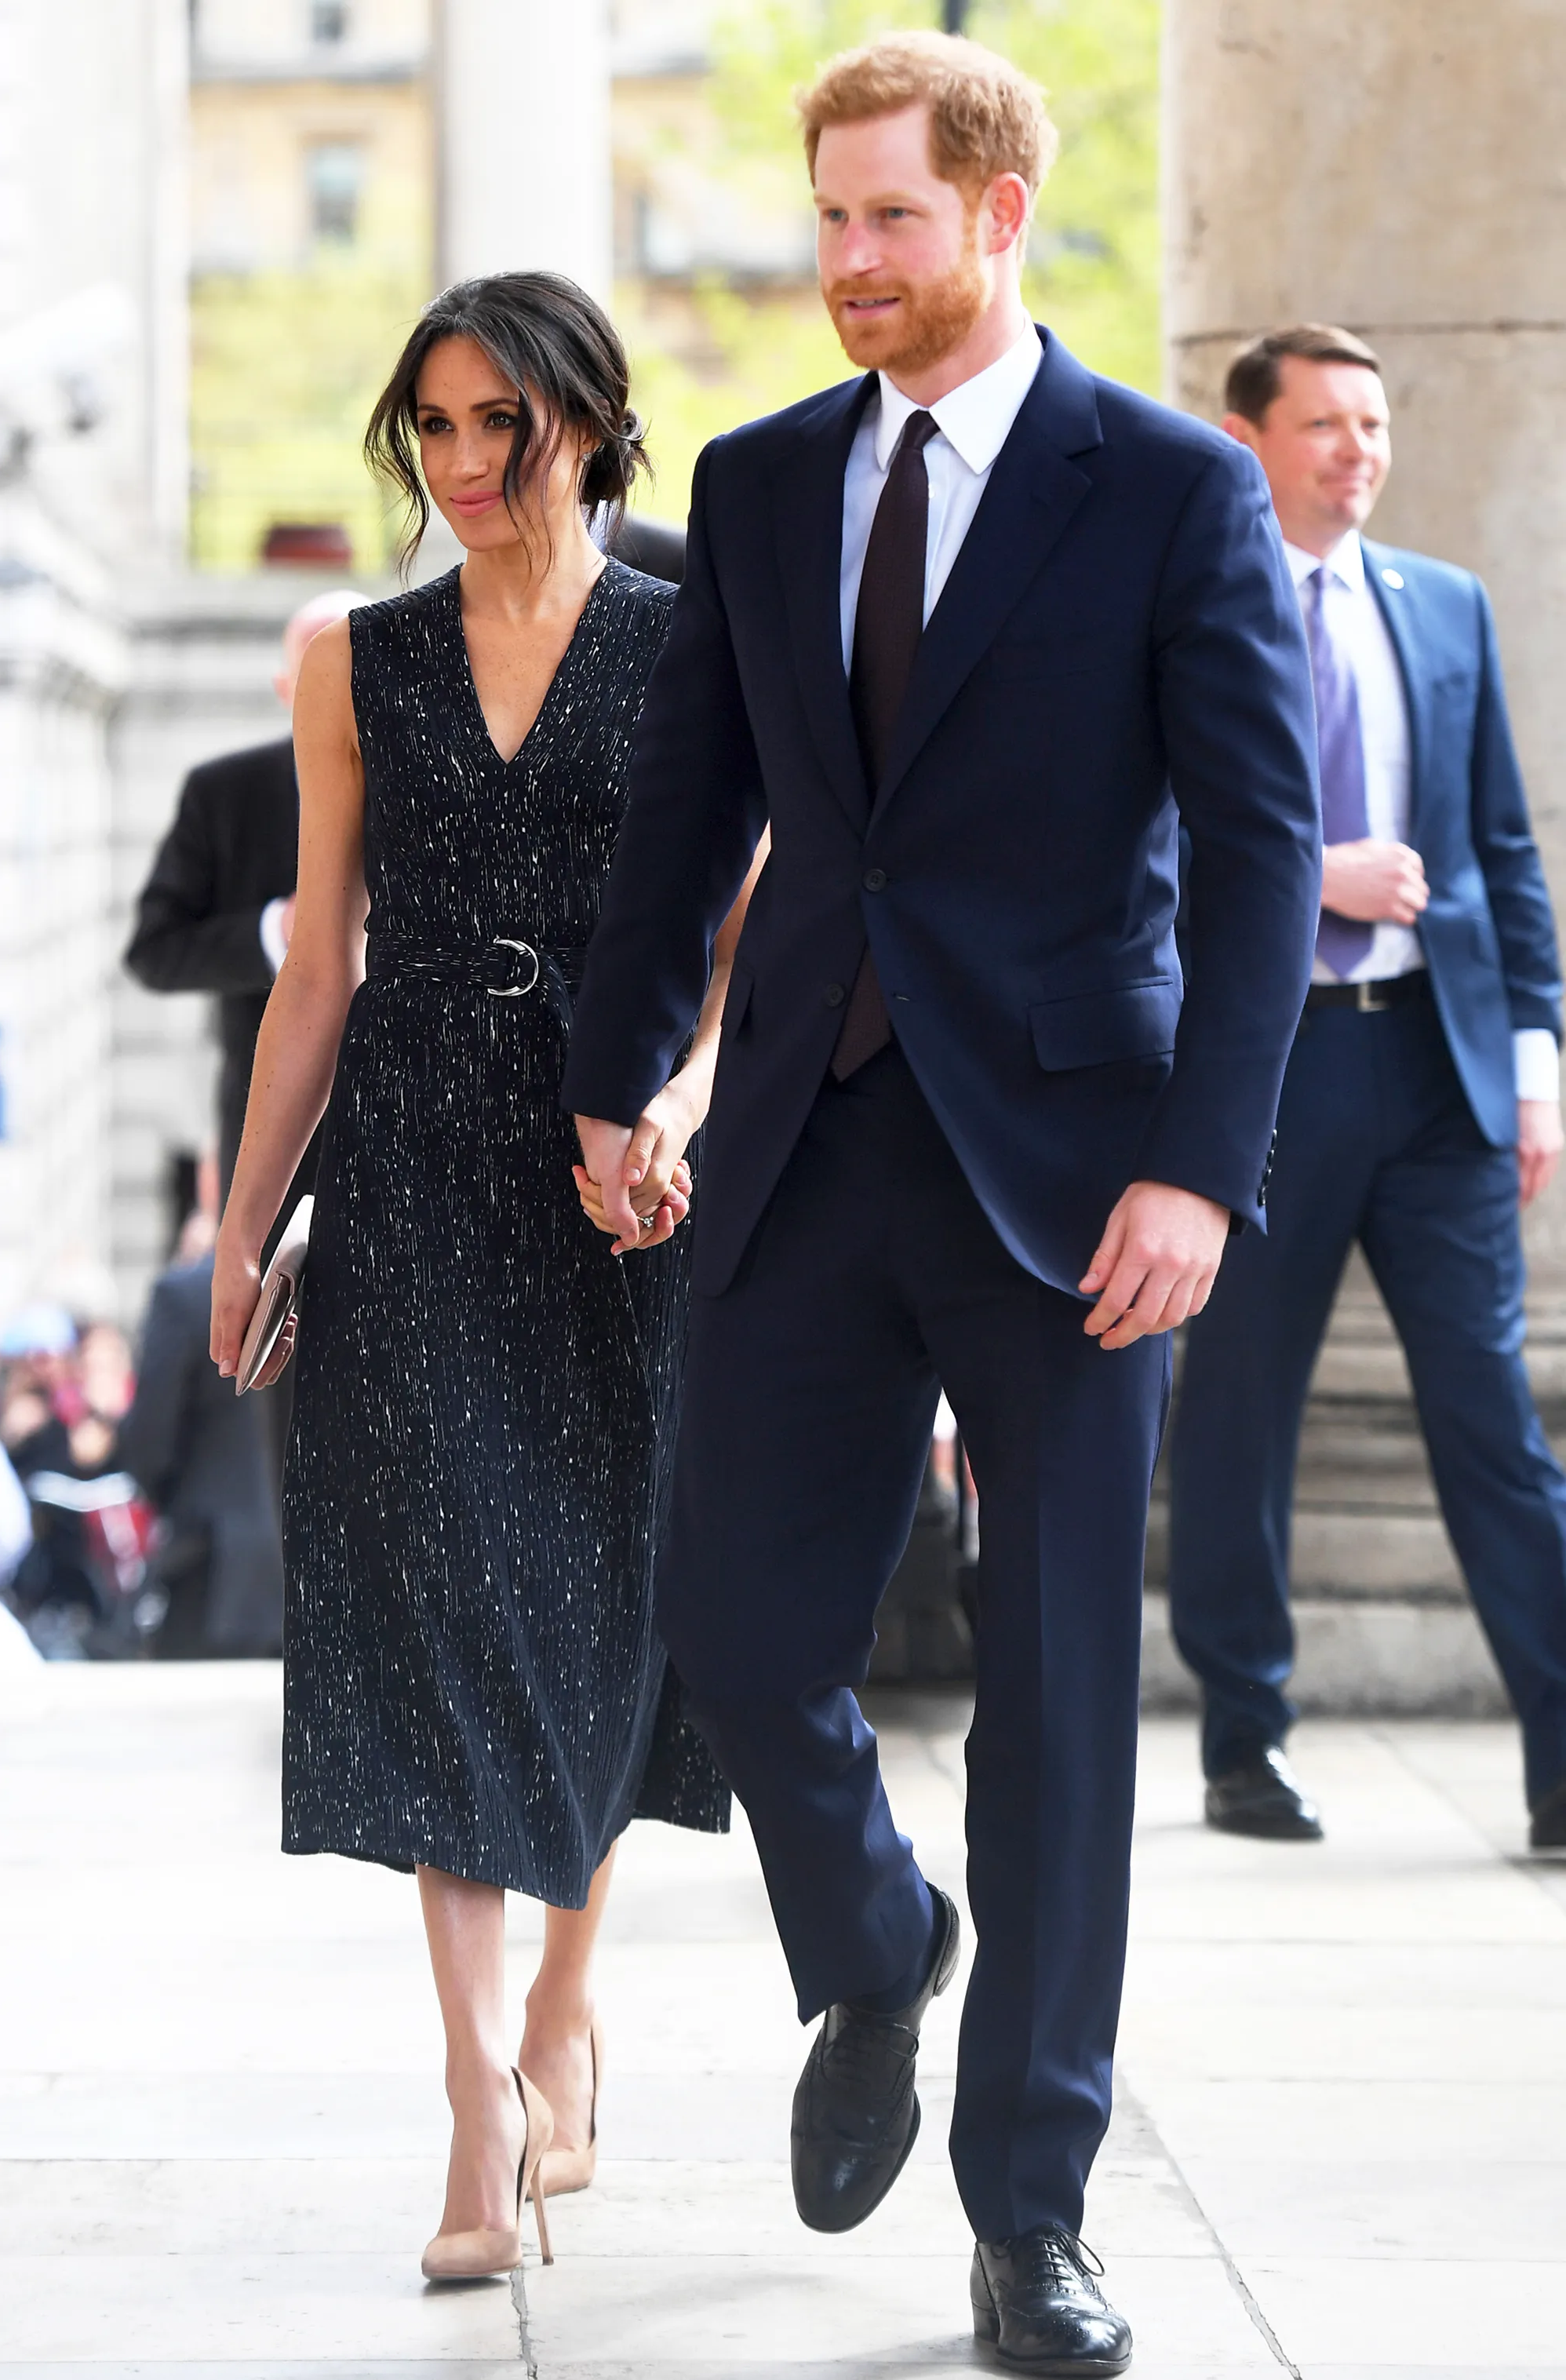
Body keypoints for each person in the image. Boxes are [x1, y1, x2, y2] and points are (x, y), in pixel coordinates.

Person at [564, 33, 1320, 2373]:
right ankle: (880, 1949)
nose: (848, 267)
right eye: (829, 224)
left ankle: (1032, 2215)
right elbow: (694, 807)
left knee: (1061, 1707)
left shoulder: (1172, 493)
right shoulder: (767, 481)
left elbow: (1270, 852)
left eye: (891, 221)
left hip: (1083, 1180)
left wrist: (1203, 1165)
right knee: (734, 1624)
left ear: (1000, 217)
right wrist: (614, 1083)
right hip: (802, 1144)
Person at [209, 271, 743, 2280]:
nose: (458, 467)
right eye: (428, 428)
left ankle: (565, 2002)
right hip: (417, 1165)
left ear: (588, 424)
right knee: (443, 1613)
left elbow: (739, 963)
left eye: (495, 426)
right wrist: (249, 1221)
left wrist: (672, 1113)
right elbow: (313, 972)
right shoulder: (351, 658)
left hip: (615, 1176)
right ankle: (471, 2095)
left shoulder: (701, 654)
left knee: (597, 1606)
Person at [1166, 323, 1566, 1856]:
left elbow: (1500, 854)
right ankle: (1243, 1737)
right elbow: (1134, 836)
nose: (1357, 449)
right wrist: (1306, 870)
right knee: (1239, 1414)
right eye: (1324, 422)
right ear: (1245, 439)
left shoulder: (1442, 604)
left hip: (1436, 1072)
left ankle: (1556, 1749)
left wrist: (1531, 1067)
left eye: (1373, 424)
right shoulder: (1193, 608)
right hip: (1262, 1069)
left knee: (1491, 1418)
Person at [125, 589, 364, 1207]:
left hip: (416, 1128)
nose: (340, 694)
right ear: (287, 690)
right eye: (318, 677)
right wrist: (273, 933)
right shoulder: (222, 793)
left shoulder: (441, 788)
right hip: (270, 1147)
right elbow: (154, 949)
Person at [117, 1247, 283, 1658]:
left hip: (213, 1569)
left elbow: (150, 1439)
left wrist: (163, 1495)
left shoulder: (185, 1292)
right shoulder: (334, 1282)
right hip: (320, 1568)